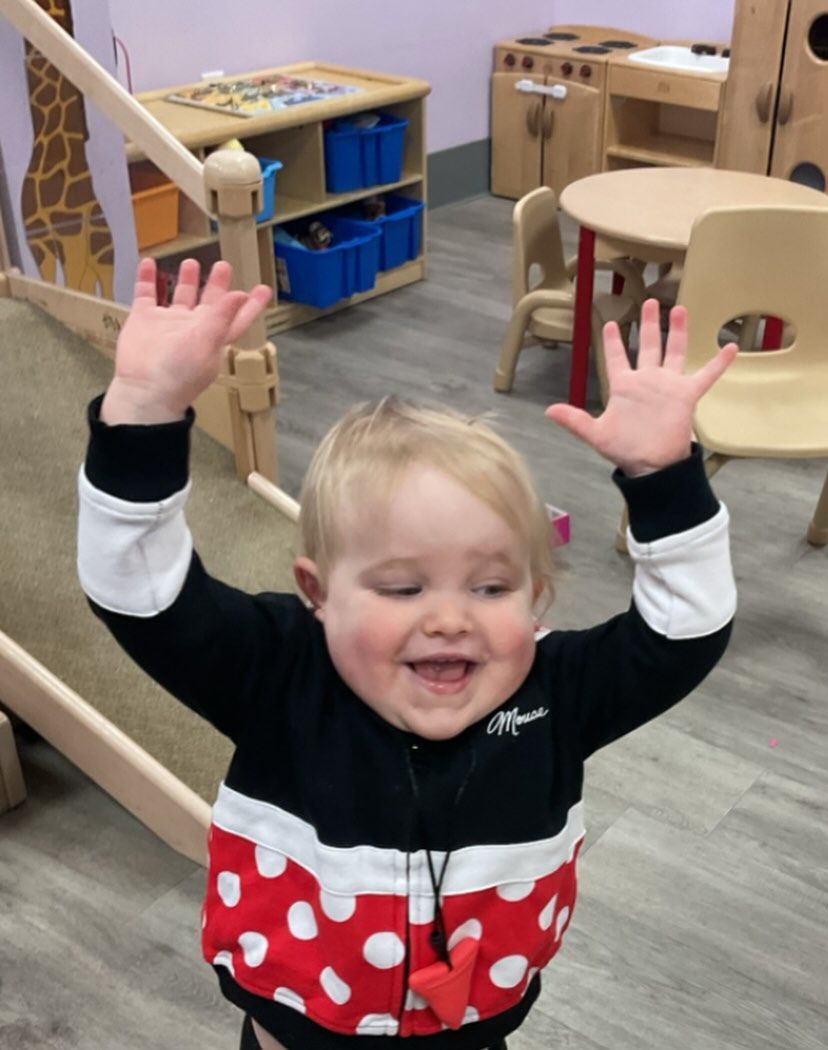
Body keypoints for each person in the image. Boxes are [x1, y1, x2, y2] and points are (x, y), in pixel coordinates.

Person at [77, 258, 738, 1050]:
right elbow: (141, 593)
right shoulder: (280, 673)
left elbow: (684, 633)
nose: (450, 619)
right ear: (318, 593)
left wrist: (663, 479)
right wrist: (142, 412)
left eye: (492, 588)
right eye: (402, 588)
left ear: (536, 598)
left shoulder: (554, 694)